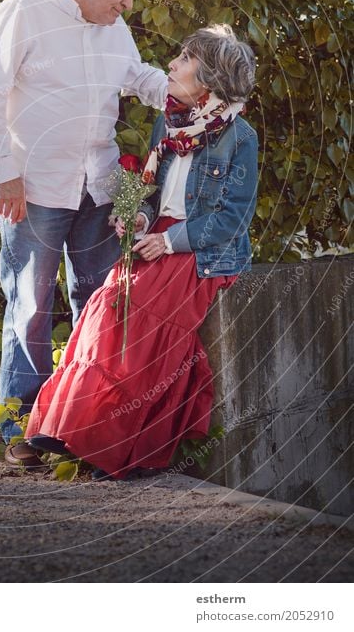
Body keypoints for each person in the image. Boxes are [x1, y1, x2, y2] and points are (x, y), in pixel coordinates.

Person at [0, 0, 168, 467]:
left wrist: (190, 92)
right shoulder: (26, 8)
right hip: (33, 188)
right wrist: (4, 173)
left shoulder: (114, 27)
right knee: (30, 306)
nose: (129, 1)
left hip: (96, 188)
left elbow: (139, 78)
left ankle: (80, 425)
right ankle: (19, 428)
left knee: (95, 306)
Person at [25, 24, 259, 479]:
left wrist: (168, 239)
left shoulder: (240, 137)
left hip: (202, 249)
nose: (170, 65)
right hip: (161, 238)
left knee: (139, 314)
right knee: (103, 303)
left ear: (207, 79)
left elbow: (232, 218)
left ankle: (124, 449)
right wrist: (138, 217)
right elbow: (152, 192)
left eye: (184, 59)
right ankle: (73, 428)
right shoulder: (170, 121)